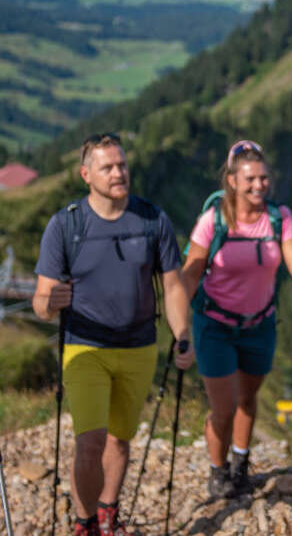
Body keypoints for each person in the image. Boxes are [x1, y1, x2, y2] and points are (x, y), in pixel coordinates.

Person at [33, 133, 193, 536]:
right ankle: (84, 523)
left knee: (119, 442)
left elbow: (172, 287)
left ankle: (108, 513)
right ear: (86, 174)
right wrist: (52, 300)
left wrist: (182, 335)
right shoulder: (65, 224)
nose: (118, 172)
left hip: (139, 348)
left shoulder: (153, 219)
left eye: (122, 164)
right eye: (108, 167)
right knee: (90, 441)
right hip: (85, 346)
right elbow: (39, 300)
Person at [181, 139, 292, 498]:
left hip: (260, 325)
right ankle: (217, 471)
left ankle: (240, 465)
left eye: (264, 178)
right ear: (232, 181)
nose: (258, 185)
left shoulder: (279, 217)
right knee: (223, 408)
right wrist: (178, 323)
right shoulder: (213, 220)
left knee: (248, 400)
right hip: (215, 325)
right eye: (250, 179)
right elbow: (191, 274)